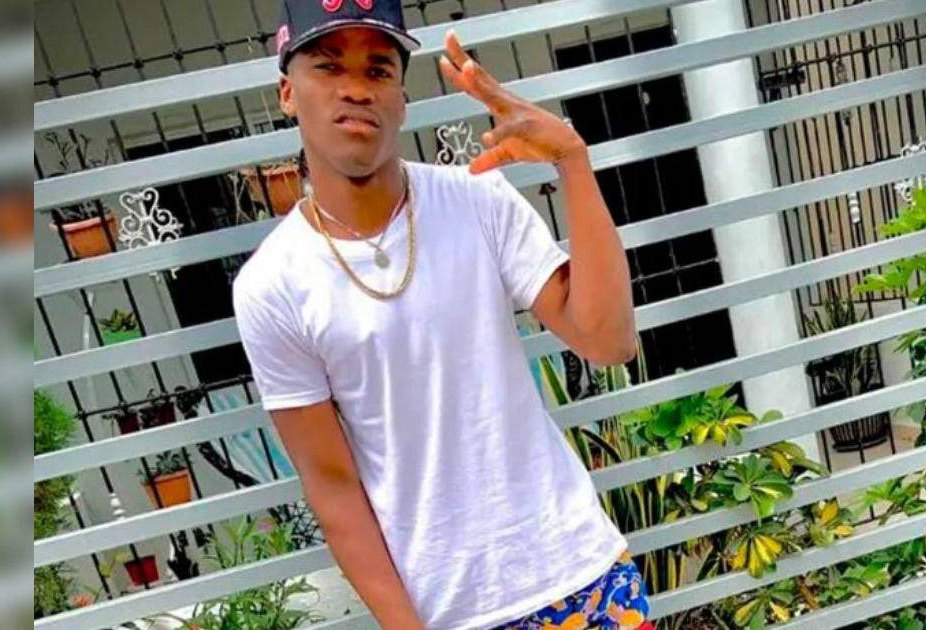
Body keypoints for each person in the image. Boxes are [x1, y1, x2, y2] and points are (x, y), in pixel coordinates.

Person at [232, 1, 651, 628]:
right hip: (452, 612)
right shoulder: (273, 284)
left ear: (402, 98)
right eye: (329, 66)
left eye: (378, 70)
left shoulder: (477, 200)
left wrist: (572, 160)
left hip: (582, 576)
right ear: (288, 94)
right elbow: (333, 487)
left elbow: (608, 340)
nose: (356, 89)